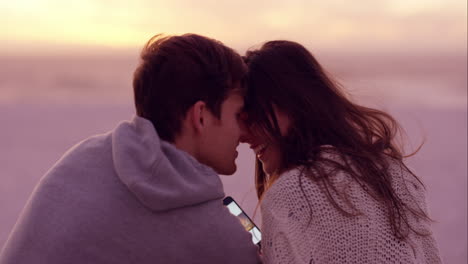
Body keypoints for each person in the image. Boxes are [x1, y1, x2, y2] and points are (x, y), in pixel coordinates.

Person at [0, 34, 261, 264]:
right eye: (238, 115)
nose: (245, 131)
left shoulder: (83, 157)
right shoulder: (217, 235)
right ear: (201, 116)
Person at [239, 40, 442, 263]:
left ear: (290, 103)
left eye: (252, 115)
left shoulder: (290, 193)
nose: (243, 135)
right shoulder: (397, 174)